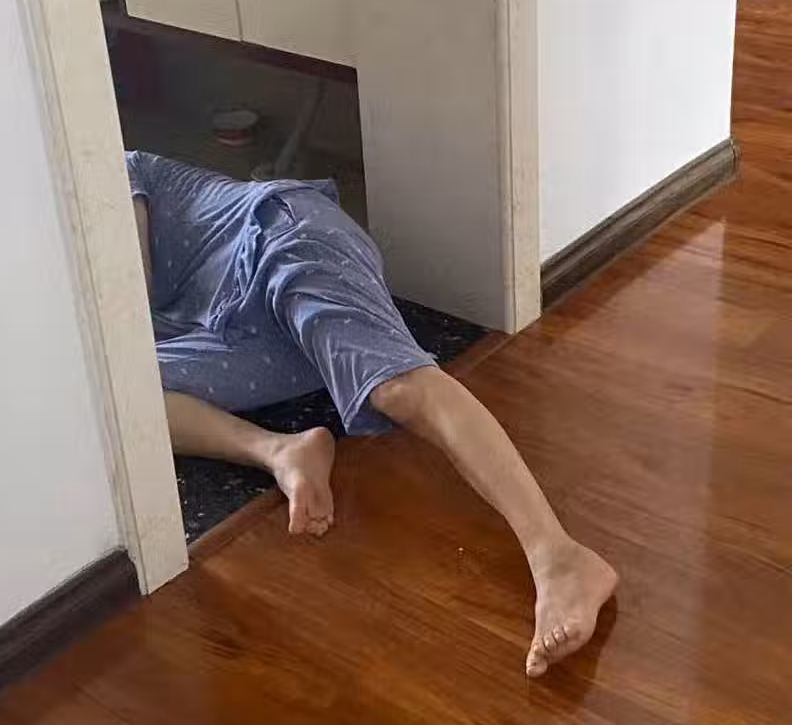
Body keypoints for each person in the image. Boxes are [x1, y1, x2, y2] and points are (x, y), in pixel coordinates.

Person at [128, 150, 617, 678]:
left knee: (396, 389)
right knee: (125, 399)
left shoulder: (113, 170)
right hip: (230, 325)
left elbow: (128, 299)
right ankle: (281, 451)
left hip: (280, 241)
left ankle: (559, 556)